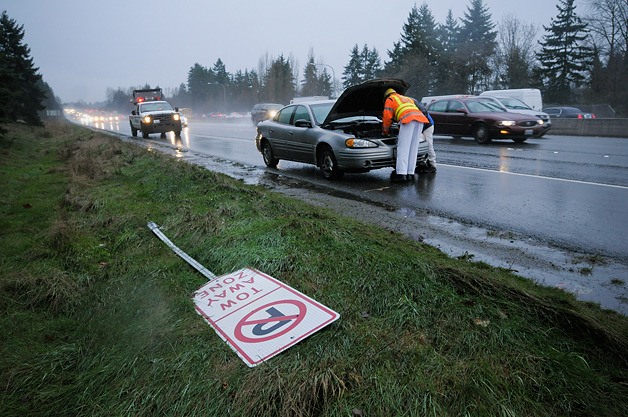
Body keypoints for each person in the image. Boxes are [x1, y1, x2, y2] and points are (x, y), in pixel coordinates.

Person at [382, 88, 429, 182]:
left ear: (386, 96)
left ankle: (401, 174)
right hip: (420, 120)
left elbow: (387, 117)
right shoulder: (406, 98)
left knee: (403, 148)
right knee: (413, 148)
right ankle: (410, 173)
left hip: (408, 120)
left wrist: (385, 131)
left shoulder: (390, 99)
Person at [413, 99, 437, 173]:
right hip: (421, 125)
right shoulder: (411, 101)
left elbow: (423, 112)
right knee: (420, 144)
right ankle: (422, 163)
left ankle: (432, 165)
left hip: (427, 125)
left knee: (428, 144)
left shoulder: (412, 102)